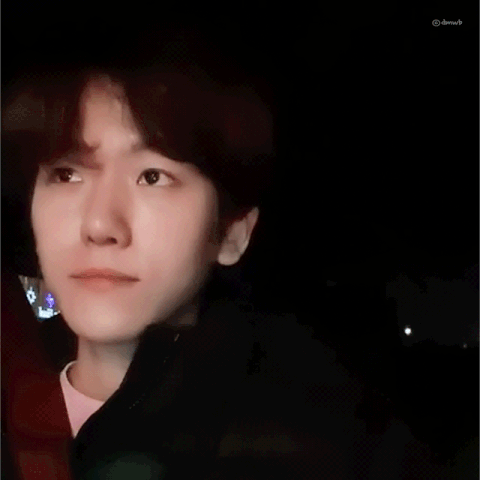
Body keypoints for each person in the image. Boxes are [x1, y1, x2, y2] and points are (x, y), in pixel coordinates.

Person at [2, 31, 452, 480]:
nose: (100, 225)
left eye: (153, 176)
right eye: (66, 174)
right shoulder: (14, 403)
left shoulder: (330, 445)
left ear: (233, 232)